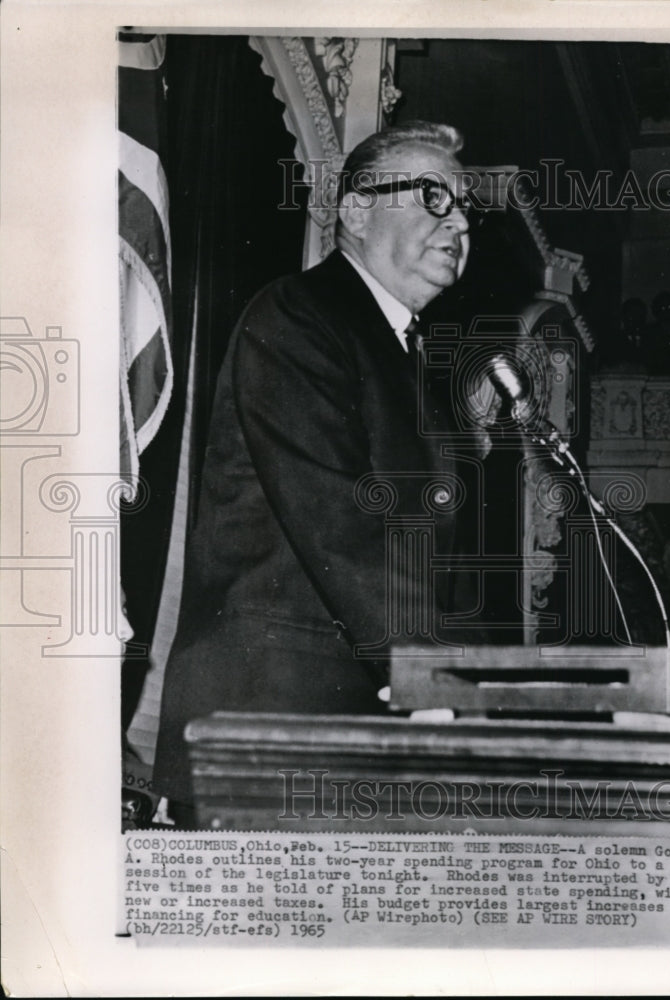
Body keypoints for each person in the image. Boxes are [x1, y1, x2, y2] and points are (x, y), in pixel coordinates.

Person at [153, 121, 484, 815]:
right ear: (358, 210)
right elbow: (342, 521)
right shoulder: (299, 316)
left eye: (465, 208)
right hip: (271, 715)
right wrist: (429, 677)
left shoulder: (407, 359)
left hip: (348, 724)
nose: (459, 223)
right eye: (433, 197)